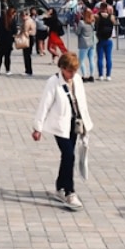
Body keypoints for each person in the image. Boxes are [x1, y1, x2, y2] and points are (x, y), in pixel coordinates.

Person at [31, 52, 92, 211]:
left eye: (75, 70)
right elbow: (45, 104)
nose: (73, 74)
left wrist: (86, 124)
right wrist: (38, 127)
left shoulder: (77, 80)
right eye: (70, 71)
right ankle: (70, 191)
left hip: (75, 124)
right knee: (69, 155)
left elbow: (82, 103)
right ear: (62, 68)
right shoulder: (53, 82)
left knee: (67, 156)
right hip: (60, 125)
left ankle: (60, 186)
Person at [92, 5, 114, 80]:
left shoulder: (97, 16)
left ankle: (100, 75)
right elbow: (114, 23)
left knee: (100, 58)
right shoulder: (111, 17)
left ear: (100, 8)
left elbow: (91, 17)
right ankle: (108, 75)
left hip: (101, 40)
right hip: (109, 40)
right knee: (108, 58)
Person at [75, 9, 95, 82]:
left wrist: (75, 27)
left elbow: (77, 32)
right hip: (91, 42)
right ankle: (92, 75)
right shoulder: (92, 22)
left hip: (84, 43)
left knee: (81, 60)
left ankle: (84, 76)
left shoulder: (81, 22)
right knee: (91, 59)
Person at [0, 8, 15, 76]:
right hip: (8, 40)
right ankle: (7, 70)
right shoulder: (12, 21)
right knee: (7, 56)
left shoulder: (0, 18)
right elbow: (15, 31)